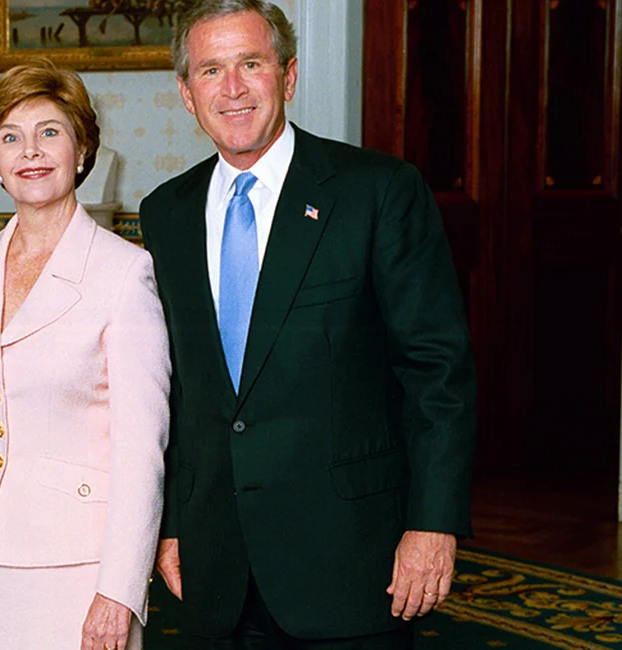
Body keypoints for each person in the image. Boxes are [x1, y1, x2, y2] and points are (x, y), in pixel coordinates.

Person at [140, 1, 477, 647]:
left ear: (288, 77)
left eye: (251, 64)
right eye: (211, 70)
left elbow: (438, 373)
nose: (232, 88)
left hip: (351, 561)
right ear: (187, 93)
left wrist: (434, 525)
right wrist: (175, 523)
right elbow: (180, 388)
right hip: (219, 566)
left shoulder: (377, 191)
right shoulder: (167, 212)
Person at [0, 59, 170, 650]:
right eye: (11, 138)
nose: (31, 152)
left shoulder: (125, 273)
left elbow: (140, 447)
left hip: (79, 564)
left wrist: (119, 589)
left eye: (50, 132)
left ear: (81, 149)